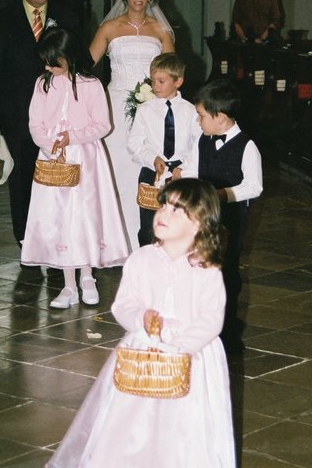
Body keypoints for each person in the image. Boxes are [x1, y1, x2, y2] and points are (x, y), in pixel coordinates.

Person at [48, 178, 235, 468]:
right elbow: (123, 304)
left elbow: (212, 319)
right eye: (164, 206)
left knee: (185, 428)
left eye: (177, 210)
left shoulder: (206, 269)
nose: (163, 214)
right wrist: (140, 319)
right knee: (128, 422)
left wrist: (179, 348)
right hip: (143, 349)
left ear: (198, 224)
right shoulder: (140, 259)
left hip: (192, 357)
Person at [21, 28, 129, 306]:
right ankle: (68, 285)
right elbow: (35, 123)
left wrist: (73, 137)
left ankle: (87, 276)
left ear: (68, 57)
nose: (47, 67)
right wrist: (50, 148)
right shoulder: (43, 84)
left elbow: (102, 125)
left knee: (84, 216)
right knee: (60, 219)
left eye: (53, 61)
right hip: (54, 159)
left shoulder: (91, 84)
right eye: (45, 62)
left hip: (86, 159)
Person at [0, 0, 82, 247]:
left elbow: (80, 63)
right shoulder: (3, 19)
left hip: (61, 113)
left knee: (59, 171)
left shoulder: (67, 17)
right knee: (24, 174)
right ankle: (25, 235)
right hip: (18, 112)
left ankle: (57, 233)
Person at [89, 0, 175, 251]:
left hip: (150, 105)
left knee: (146, 170)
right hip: (115, 105)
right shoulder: (109, 28)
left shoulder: (160, 30)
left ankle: (144, 242)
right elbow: (87, 64)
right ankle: (114, 241)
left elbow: (171, 71)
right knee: (118, 170)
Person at [183, 79, 262, 354]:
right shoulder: (203, 141)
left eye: (201, 116)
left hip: (231, 216)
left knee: (227, 269)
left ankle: (227, 329)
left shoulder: (247, 146)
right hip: (202, 214)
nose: (198, 121)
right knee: (199, 266)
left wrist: (224, 194)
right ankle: (201, 323)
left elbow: (255, 186)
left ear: (220, 117)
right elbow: (192, 169)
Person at [128, 52, 201, 246]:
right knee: (149, 225)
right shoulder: (145, 110)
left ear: (178, 81)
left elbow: (198, 144)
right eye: (153, 81)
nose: (155, 86)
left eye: (161, 81)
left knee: (181, 222)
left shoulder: (191, 111)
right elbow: (134, 143)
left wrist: (184, 167)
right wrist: (151, 158)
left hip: (180, 173)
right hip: (152, 171)